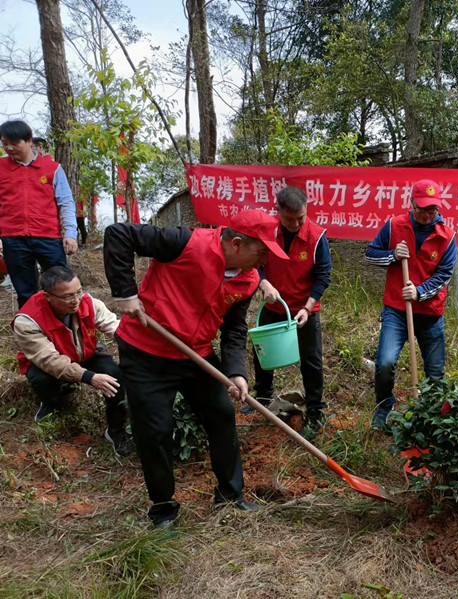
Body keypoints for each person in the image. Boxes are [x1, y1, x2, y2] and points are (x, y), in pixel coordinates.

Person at [104, 210, 288, 527]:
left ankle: (230, 495)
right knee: (156, 431)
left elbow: (233, 330)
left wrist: (236, 373)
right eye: (262, 252)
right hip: (146, 351)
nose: (264, 262)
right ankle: (163, 509)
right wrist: (125, 292)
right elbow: (119, 234)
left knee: (220, 413)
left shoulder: (249, 279)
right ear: (238, 243)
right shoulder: (184, 243)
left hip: (195, 355)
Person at [11, 265, 132, 454]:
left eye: (79, 291)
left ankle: (115, 430)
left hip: (85, 353)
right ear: (47, 296)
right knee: (41, 379)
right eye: (68, 296)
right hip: (51, 363)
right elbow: (50, 360)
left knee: (114, 376)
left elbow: (116, 328)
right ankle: (51, 401)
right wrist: (89, 377)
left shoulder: (88, 302)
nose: (76, 300)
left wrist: (140, 347)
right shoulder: (28, 321)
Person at [365, 179, 457, 429]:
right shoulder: (394, 225)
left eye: (433, 209)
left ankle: (432, 416)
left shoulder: (447, 236)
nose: (428, 214)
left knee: (435, 374)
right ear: (412, 204)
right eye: (423, 208)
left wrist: (419, 292)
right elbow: (370, 255)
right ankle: (385, 406)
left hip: (430, 313)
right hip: (396, 310)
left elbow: (445, 274)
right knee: (384, 363)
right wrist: (392, 255)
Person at [244, 186, 332, 440]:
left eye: (301, 218)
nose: (295, 224)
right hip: (273, 304)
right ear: (278, 212)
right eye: (289, 219)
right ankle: (261, 397)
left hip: (305, 310)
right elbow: (252, 262)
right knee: (262, 354)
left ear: (307, 210)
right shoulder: (267, 230)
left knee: (311, 361)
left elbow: (323, 276)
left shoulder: (317, 237)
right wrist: (263, 283)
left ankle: (315, 410)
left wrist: (307, 306)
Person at [0, 120, 78, 309]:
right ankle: (32, 333)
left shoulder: (52, 169)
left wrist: (70, 233)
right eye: (4, 143)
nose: (9, 148)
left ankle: (65, 330)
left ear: (28, 140)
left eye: (14, 143)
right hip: (13, 238)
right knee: (25, 291)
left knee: (60, 285)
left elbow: (65, 202)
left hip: (48, 237)